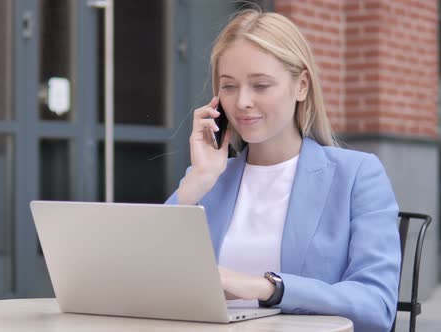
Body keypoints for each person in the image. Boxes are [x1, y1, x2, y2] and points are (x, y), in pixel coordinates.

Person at [165, 9, 400, 332]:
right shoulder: (209, 179)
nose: (242, 101)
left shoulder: (357, 175)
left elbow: (376, 305)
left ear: (301, 86)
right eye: (229, 87)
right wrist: (196, 182)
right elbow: (146, 277)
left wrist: (268, 287)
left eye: (260, 85)